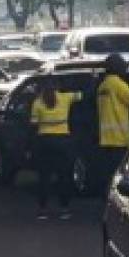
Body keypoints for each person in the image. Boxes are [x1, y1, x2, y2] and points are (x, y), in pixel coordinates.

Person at [30, 76, 82, 220]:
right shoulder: (65, 97)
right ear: (58, 86)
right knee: (64, 175)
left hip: (44, 141)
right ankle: (64, 209)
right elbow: (82, 95)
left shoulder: (37, 102)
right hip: (62, 141)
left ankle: (42, 210)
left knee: (44, 176)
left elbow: (33, 123)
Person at [96, 55, 129, 187]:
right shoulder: (117, 84)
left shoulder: (103, 86)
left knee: (109, 174)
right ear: (117, 67)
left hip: (106, 139)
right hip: (120, 139)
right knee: (121, 176)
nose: (125, 69)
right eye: (123, 66)